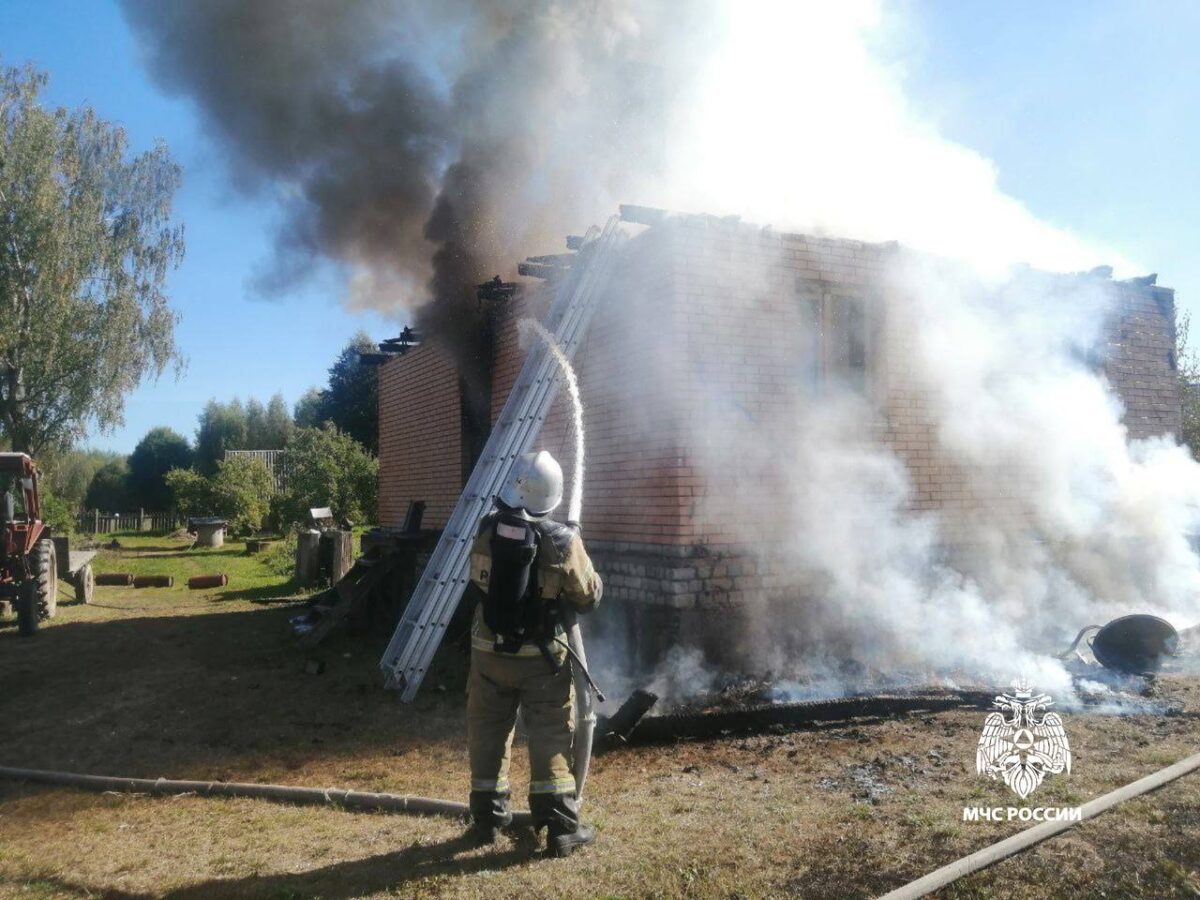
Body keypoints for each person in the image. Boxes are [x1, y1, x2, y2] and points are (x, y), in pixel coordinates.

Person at [465, 449, 603, 857]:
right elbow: (587, 595)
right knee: (550, 734)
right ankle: (560, 828)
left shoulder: (487, 529)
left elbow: (478, 580)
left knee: (487, 731)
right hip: (541, 660)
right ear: (552, 496)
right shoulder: (563, 541)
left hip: (488, 651)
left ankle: (487, 822)